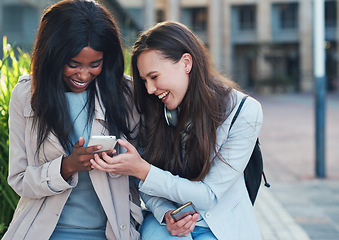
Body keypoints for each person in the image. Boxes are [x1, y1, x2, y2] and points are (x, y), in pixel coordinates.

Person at [91, 21, 263, 239]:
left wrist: (142, 170)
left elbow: (209, 195)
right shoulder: (152, 109)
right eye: (144, 80)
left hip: (222, 226)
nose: (150, 90)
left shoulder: (244, 112)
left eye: (154, 77)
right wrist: (166, 214)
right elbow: (146, 187)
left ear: (186, 63)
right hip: (166, 225)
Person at [3, 0, 142, 239]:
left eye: (95, 64)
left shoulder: (127, 94)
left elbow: (148, 170)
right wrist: (66, 167)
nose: (84, 75)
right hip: (45, 232)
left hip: (111, 231)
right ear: (53, 56)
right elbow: (19, 180)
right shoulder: (26, 95)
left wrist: (120, 164)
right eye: (73, 64)